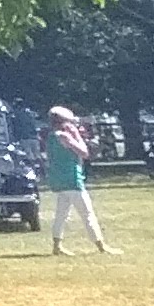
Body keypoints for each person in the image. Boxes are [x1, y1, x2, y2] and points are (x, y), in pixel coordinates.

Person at [42, 106, 111, 253]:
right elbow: (84, 152)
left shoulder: (51, 137)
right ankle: (101, 245)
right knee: (87, 214)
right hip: (72, 179)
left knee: (61, 214)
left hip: (58, 179)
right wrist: (76, 135)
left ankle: (57, 246)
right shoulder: (64, 136)